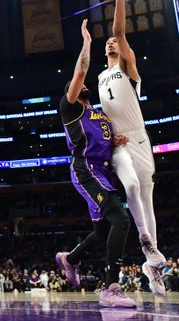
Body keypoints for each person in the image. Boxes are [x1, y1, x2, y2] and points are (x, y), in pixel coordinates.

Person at [55, 19, 136, 308]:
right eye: (78, 84)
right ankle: (111, 287)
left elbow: (102, 137)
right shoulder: (71, 108)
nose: (83, 83)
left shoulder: (98, 114)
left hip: (102, 169)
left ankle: (70, 258)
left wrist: (115, 142)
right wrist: (87, 44)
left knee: (103, 230)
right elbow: (80, 71)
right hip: (85, 168)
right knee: (121, 218)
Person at [98, 0, 167, 296]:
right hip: (120, 143)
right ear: (103, 51)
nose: (112, 42)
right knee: (130, 187)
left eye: (115, 41)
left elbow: (121, 32)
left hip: (140, 138)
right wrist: (110, 138)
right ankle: (144, 241)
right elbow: (102, 119)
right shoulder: (98, 79)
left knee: (147, 198)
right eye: (108, 43)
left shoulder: (127, 68)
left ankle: (151, 264)